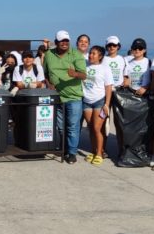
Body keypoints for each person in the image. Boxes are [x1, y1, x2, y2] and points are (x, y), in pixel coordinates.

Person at [43, 30, 87, 164]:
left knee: (73, 126)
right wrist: (49, 84)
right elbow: (45, 73)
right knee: (60, 127)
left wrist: (75, 74)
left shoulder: (76, 54)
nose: (64, 43)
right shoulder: (49, 54)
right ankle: (64, 148)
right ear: (56, 42)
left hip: (73, 97)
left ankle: (72, 153)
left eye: (66, 40)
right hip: (57, 97)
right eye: (62, 40)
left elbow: (84, 75)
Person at [82, 46, 113, 165]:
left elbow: (108, 87)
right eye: (90, 53)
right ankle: (94, 151)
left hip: (99, 101)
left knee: (96, 128)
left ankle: (100, 153)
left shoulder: (105, 69)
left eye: (94, 54)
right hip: (86, 101)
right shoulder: (84, 66)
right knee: (91, 128)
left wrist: (107, 104)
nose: (91, 55)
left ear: (100, 56)